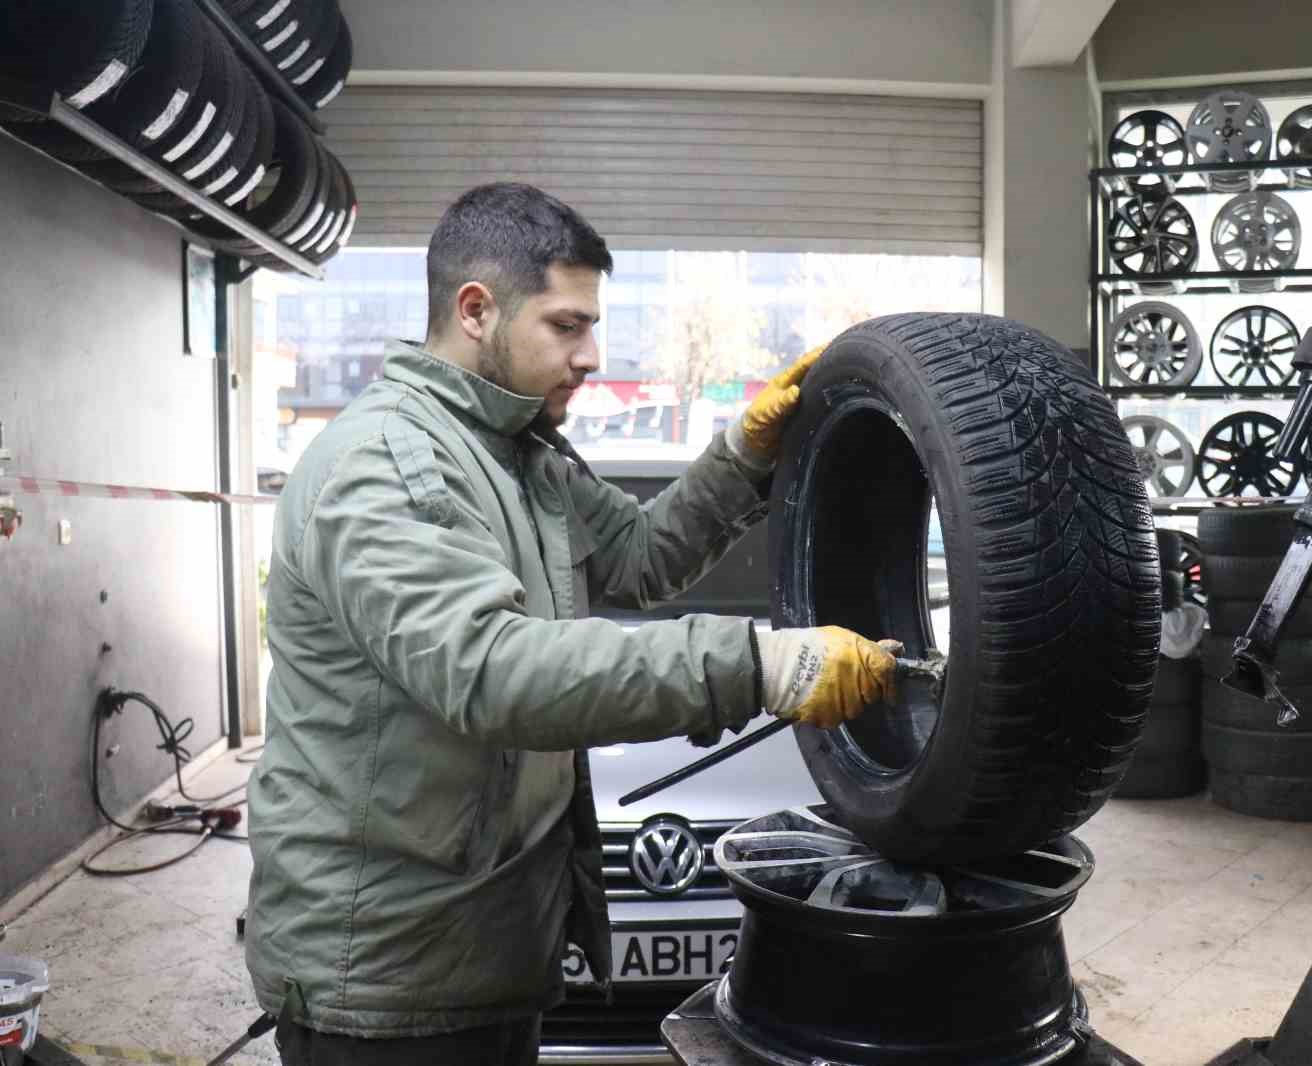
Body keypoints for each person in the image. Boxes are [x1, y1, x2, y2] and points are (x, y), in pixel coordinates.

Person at [246, 182, 898, 1065]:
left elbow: (640, 557)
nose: (592, 353)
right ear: (477, 310)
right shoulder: (388, 464)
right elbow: (490, 671)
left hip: (483, 945)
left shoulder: (518, 451)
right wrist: (762, 664)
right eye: (566, 324)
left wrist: (745, 453)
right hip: (386, 979)